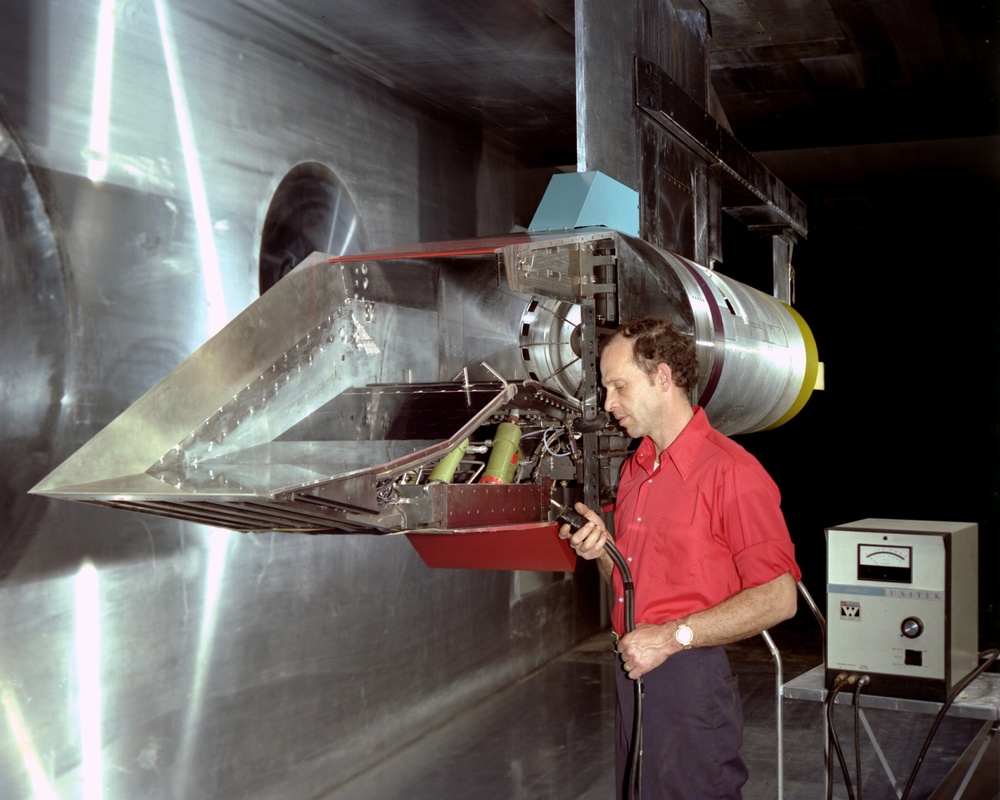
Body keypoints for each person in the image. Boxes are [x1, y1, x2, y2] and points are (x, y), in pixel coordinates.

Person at [558, 317, 801, 800]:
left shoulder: (732, 472)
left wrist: (671, 637)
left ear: (663, 378)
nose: (608, 404)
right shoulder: (637, 468)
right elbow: (627, 582)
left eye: (619, 386)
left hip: (689, 675)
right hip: (634, 662)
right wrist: (601, 548)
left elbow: (780, 599)